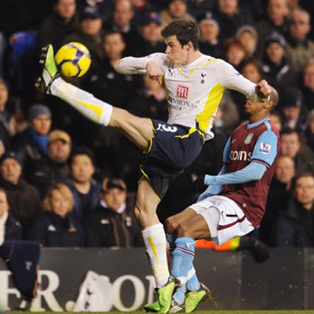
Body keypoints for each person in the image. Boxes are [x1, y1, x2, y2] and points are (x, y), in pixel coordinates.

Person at [36, 19, 272, 309]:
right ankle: (169, 291)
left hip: (188, 139)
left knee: (122, 119)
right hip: (168, 144)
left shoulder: (216, 68)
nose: (166, 50)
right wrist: (148, 66)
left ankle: (56, 86)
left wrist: (262, 89)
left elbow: (257, 93)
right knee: (143, 211)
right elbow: (120, 64)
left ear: (188, 45)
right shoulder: (163, 59)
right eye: (165, 45)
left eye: (171, 45)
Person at [156, 87, 280, 313]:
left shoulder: (268, 133)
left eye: (256, 97)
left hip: (245, 206)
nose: (248, 98)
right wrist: (207, 194)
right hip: (224, 196)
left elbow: (255, 172)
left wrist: (210, 178)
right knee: (172, 224)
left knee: (186, 231)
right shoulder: (238, 131)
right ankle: (195, 288)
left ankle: (177, 293)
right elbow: (226, 166)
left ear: (268, 104)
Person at [85, 178, 143, 247]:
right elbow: (92, 247)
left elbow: (141, 244)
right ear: (102, 195)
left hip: (132, 256)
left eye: (119, 193)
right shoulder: (93, 218)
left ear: (125, 194)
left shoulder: (134, 215)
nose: (115, 197)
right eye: (110, 193)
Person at [28, 183, 84, 247]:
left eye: (65, 200)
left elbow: (82, 251)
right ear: (49, 202)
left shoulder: (76, 225)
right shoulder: (40, 224)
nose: (62, 205)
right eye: (57, 200)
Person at [275, 173, 314, 247]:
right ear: (294, 191)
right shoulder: (286, 219)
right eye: (300, 186)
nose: (305, 190)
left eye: (309, 187)